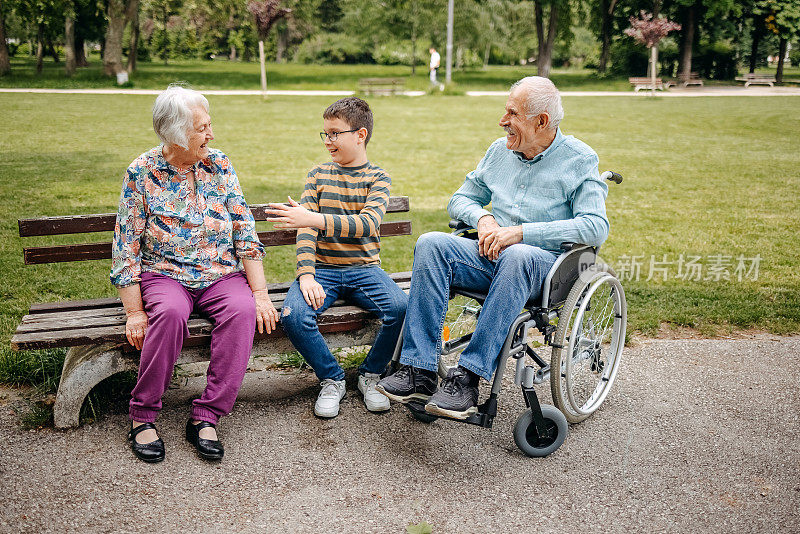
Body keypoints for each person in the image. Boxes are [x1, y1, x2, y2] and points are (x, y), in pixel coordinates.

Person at [377, 76, 610, 420]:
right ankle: (419, 371)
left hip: (544, 268)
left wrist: (520, 233)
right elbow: (460, 199)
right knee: (432, 244)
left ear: (541, 121)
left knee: (517, 254)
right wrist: (483, 218)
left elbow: (595, 226)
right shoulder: (499, 150)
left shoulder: (579, 159)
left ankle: (468, 378)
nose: (503, 121)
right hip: (491, 257)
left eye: (512, 113)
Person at [111, 85, 280, 463]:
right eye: (202, 128)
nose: (211, 135)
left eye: (209, 126)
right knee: (169, 315)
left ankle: (207, 415)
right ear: (175, 133)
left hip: (220, 274)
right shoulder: (142, 172)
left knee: (242, 312)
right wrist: (135, 312)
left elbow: (243, 231)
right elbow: (127, 246)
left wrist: (261, 294)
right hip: (164, 274)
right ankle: (142, 415)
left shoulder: (219, 164)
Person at [266, 98, 408, 419]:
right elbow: (305, 232)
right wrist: (305, 274)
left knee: (400, 309)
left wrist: (311, 219)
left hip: (364, 270)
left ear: (360, 135)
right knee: (292, 315)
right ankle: (332, 378)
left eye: (334, 133)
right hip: (322, 272)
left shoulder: (378, 178)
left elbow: (366, 225)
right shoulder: (317, 175)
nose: (327, 140)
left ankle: (371, 375)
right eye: (324, 133)